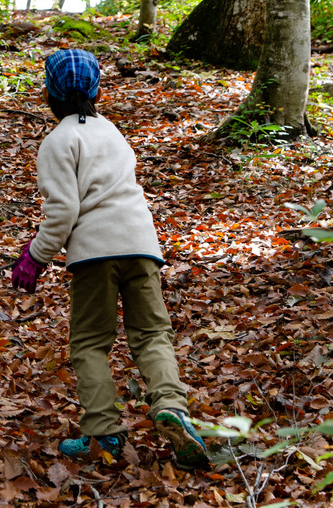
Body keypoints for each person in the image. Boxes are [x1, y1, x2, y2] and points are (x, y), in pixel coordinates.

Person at [11, 48, 208, 469]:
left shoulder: (58, 140)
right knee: (153, 334)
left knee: (89, 343)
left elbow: (62, 211)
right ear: (97, 89)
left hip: (94, 254)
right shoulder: (112, 132)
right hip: (141, 245)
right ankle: (172, 407)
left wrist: (35, 256)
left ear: (50, 92)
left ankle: (103, 434)